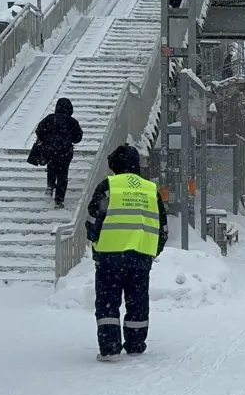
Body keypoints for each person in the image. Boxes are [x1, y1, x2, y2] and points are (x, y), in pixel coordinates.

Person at [85, 145, 168, 361]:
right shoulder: (151, 189)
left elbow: (93, 219)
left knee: (108, 302)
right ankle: (135, 344)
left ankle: (110, 348)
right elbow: (162, 226)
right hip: (141, 257)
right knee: (137, 301)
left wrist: (95, 241)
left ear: (115, 165)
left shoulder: (108, 186)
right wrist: (153, 250)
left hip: (109, 257)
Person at [34, 97, 83, 209]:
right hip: (65, 151)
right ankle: (59, 201)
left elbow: (39, 131)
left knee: (51, 165)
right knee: (63, 174)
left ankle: (50, 185)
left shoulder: (50, 118)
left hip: (50, 149)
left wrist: (47, 139)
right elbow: (78, 137)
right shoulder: (72, 122)